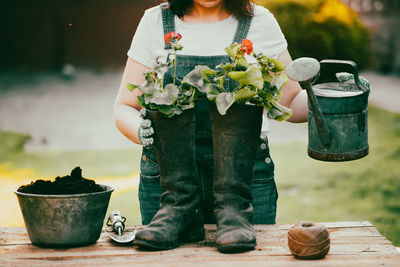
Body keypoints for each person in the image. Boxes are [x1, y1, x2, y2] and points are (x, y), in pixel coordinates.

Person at [114, 0, 308, 252]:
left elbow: (289, 100)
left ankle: (232, 209)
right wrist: (141, 132)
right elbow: (125, 106)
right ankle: (180, 210)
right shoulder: (155, 21)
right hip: (166, 182)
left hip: (246, 180)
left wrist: (333, 98)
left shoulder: (259, 21)